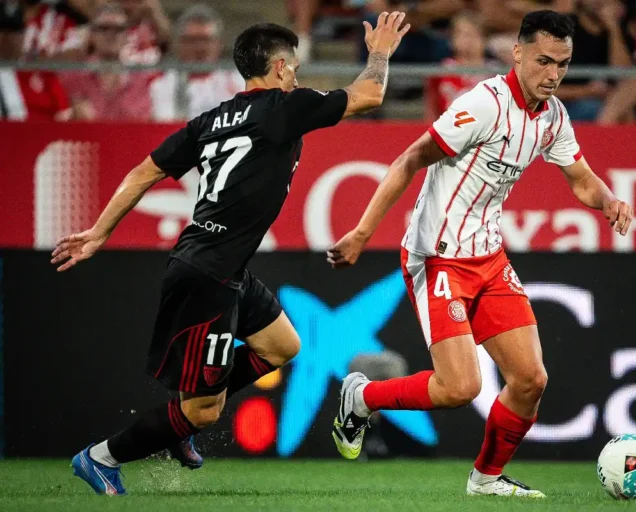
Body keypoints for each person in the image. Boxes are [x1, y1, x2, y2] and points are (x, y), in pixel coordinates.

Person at [52, 12, 410, 496]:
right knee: (205, 408)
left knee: (283, 346)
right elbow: (370, 95)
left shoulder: (211, 118)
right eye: (296, 67)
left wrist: (99, 232)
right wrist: (380, 52)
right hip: (207, 274)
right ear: (281, 68)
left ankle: (181, 427)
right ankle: (101, 457)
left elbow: (143, 172)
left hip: (222, 266)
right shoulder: (285, 106)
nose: (298, 76)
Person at [328, 10, 633, 498]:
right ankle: (361, 397)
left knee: (531, 379)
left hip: (488, 257)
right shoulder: (484, 104)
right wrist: (364, 232)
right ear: (517, 53)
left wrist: (608, 200)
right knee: (459, 388)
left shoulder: (552, 117)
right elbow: (410, 158)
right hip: (438, 255)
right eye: (543, 61)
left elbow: (580, 179)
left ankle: (486, 479)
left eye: (563, 64)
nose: (553, 74)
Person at [150, 4, 243, 121]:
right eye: (192, 40)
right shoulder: (163, 86)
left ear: (219, 44)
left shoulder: (239, 82)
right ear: (179, 44)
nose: (200, 48)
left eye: (206, 40)